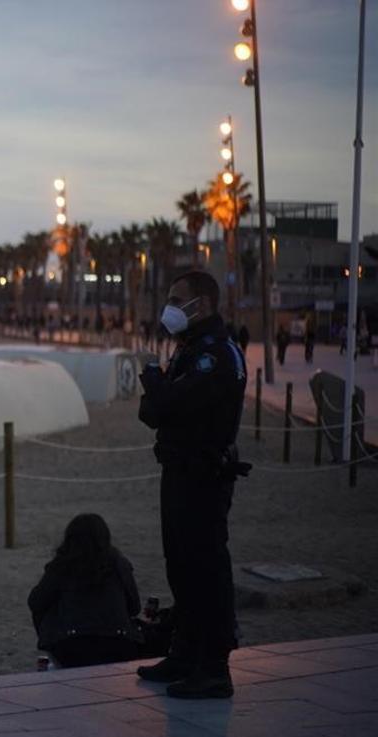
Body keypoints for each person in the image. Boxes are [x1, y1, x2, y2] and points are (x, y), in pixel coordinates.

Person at [137, 271, 248, 699]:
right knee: (179, 566)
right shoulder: (189, 349)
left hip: (204, 475)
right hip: (177, 470)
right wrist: (159, 388)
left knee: (206, 570)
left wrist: (154, 379)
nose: (168, 306)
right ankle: (184, 652)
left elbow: (167, 403)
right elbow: (153, 412)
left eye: (175, 298)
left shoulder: (216, 355)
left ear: (200, 304)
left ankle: (214, 665)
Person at [28, 514, 143, 668]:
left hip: (71, 646)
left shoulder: (61, 565)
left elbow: (35, 602)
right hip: (120, 643)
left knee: (46, 602)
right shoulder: (118, 563)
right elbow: (134, 607)